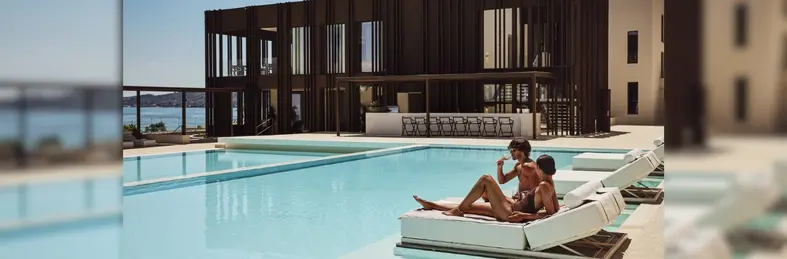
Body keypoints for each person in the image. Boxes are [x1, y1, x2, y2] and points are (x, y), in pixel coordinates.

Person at [413, 155, 560, 223]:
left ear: (540, 169)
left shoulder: (544, 186)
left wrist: (523, 216)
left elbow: (550, 214)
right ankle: (431, 205)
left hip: (509, 213)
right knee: (469, 208)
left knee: (486, 179)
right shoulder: (550, 184)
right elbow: (556, 209)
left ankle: (456, 210)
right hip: (511, 207)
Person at [481, 138, 539, 202]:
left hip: (525, 203)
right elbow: (502, 180)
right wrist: (500, 167)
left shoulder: (529, 167)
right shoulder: (518, 165)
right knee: (485, 193)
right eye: (511, 150)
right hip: (519, 200)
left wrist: (517, 199)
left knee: (486, 183)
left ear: (522, 151)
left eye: (513, 150)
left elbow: (535, 192)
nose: (511, 152)